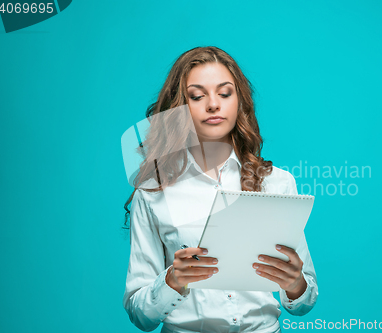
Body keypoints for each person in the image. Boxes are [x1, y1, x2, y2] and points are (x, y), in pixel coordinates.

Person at [122, 46, 318, 333]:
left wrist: (294, 284)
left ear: (239, 102)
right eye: (197, 96)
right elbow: (140, 315)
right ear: (179, 107)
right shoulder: (153, 191)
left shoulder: (278, 182)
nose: (213, 104)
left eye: (224, 93)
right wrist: (173, 280)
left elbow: (305, 300)